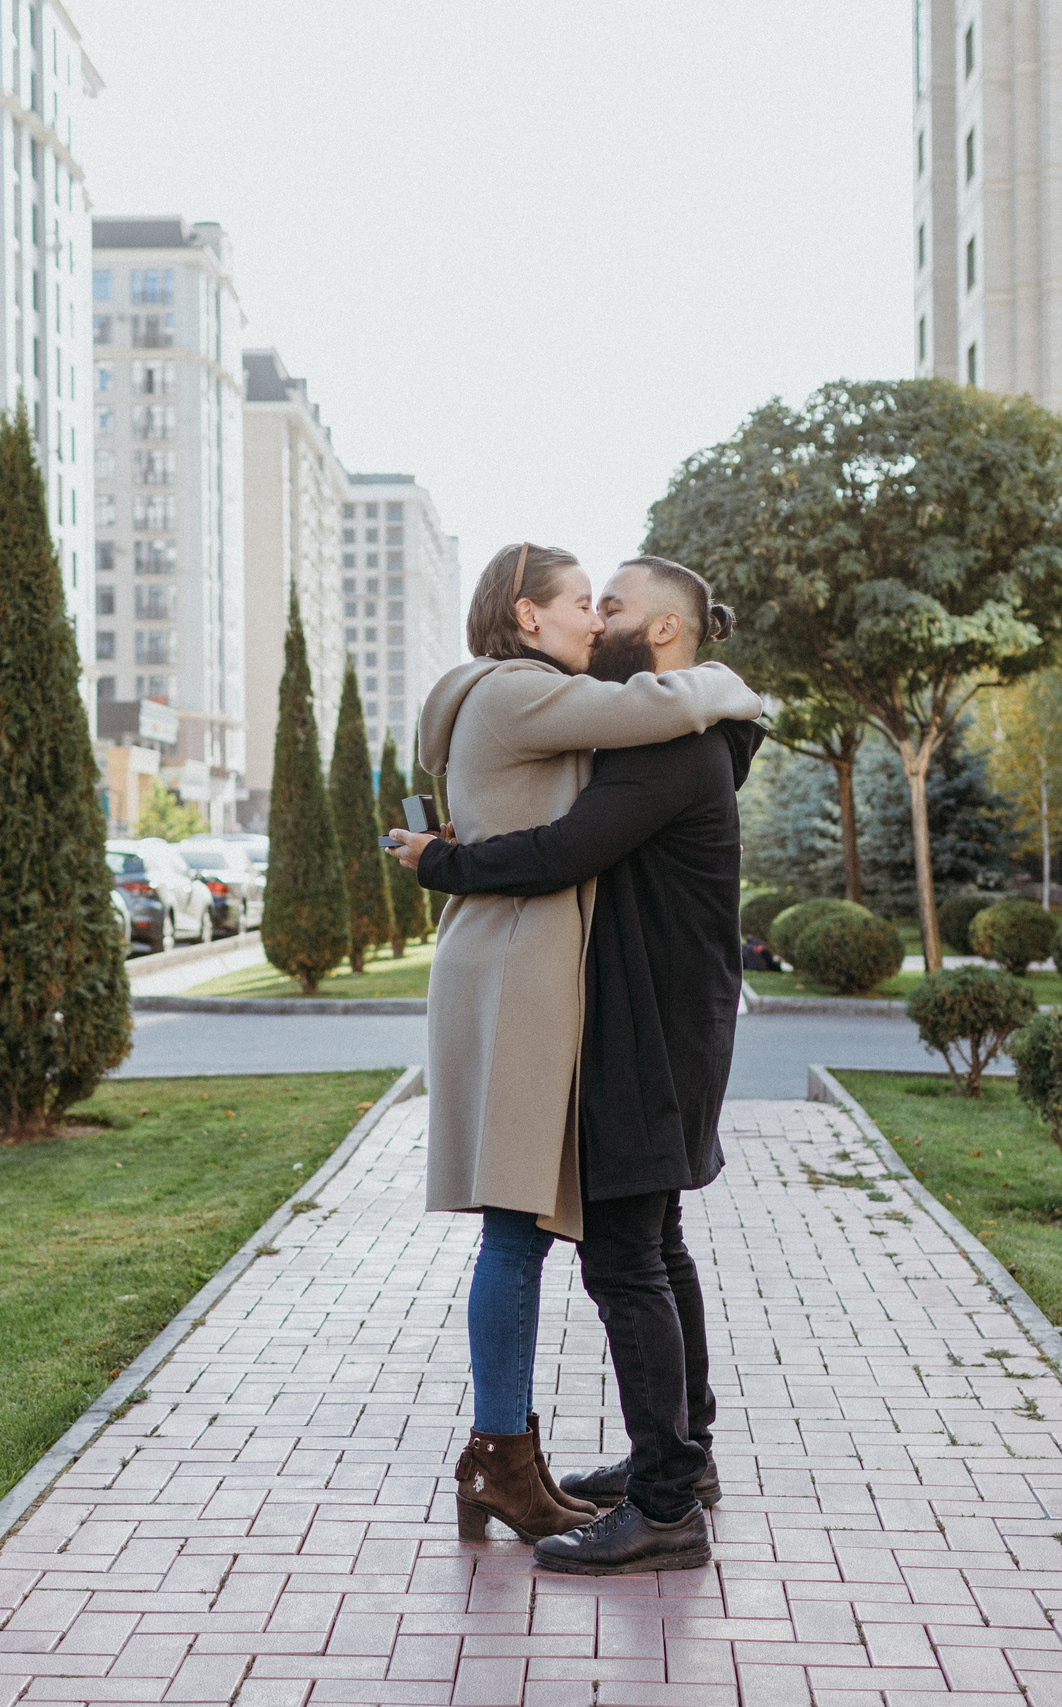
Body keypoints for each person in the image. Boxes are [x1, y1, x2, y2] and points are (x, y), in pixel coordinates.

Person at [390, 556, 761, 1576]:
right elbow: (557, 830)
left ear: (669, 639)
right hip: (651, 1019)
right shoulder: (627, 726)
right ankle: (676, 1468)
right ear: (527, 615)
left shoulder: (671, 746)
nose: (597, 625)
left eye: (613, 608)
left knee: (626, 1257)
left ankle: (665, 1499)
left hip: (651, 1024)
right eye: (583, 604)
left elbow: (562, 851)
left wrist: (446, 864)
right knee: (649, 1245)